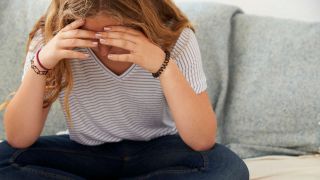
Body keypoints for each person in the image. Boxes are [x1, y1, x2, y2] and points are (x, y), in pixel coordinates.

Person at [0, 0, 249, 179]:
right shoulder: (50, 39)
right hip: (85, 153)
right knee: (5, 158)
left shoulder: (175, 39)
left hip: (159, 151)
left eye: (116, 36)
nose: (104, 51)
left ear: (142, 22)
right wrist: (40, 65)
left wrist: (163, 65)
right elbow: (18, 138)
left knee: (228, 167)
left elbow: (202, 140)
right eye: (93, 38)